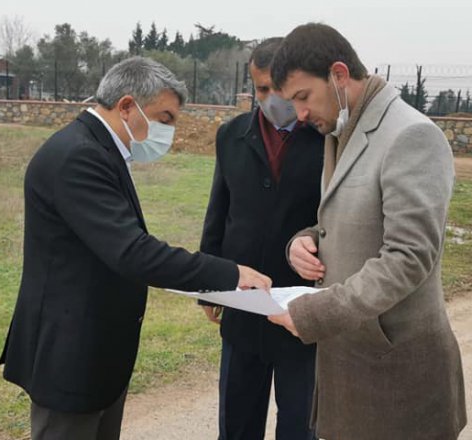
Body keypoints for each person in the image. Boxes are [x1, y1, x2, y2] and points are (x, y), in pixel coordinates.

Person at [0, 56, 271, 440]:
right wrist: (230, 274)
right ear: (127, 106)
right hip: (70, 355)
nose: (169, 132)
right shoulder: (78, 156)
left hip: (97, 353)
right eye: (164, 118)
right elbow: (133, 252)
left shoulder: (99, 150)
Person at [266, 23, 467, 439]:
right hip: (348, 363)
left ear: (339, 75)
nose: (299, 114)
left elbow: (409, 257)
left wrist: (317, 313)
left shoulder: (411, 135)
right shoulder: (341, 131)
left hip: (396, 374)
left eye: (303, 97)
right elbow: (348, 218)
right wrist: (305, 241)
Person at [199, 38, 324, 440]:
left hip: (302, 309)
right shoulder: (231, 135)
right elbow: (219, 210)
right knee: (237, 421)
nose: (270, 98)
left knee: (300, 424)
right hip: (243, 303)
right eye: (261, 88)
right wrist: (209, 284)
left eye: (277, 87)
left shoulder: (327, 139)